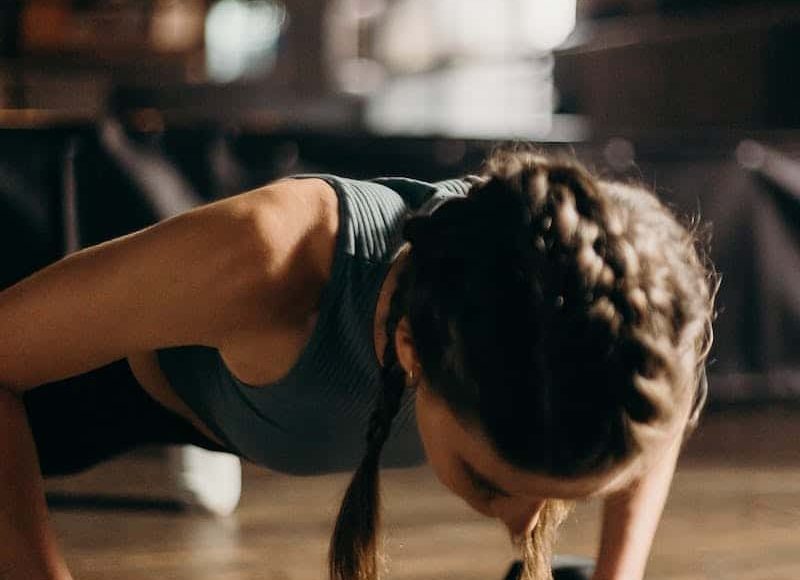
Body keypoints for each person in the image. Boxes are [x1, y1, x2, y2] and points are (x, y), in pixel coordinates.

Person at [0, 146, 715, 580]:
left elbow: (662, 398)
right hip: (67, 374)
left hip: (236, 399)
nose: (527, 524)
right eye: (493, 483)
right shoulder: (270, 263)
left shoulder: (630, 303)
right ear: (410, 350)